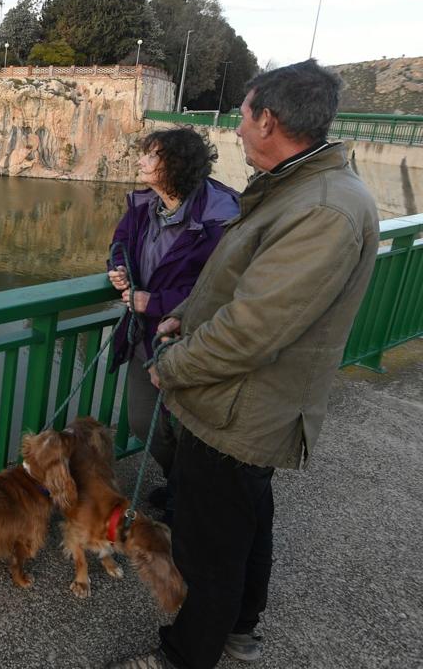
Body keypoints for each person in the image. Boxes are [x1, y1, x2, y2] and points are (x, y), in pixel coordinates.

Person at [107, 60, 379, 669]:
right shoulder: (301, 190)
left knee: (209, 551)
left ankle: (184, 655)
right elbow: (243, 289)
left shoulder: (323, 210)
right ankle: (240, 631)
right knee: (247, 525)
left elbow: (256, 328)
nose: (234, 131)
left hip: (240, 409)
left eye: (242, 117)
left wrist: (172, 365)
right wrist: (185, 316)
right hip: (245, 406)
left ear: (269, 120)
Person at [106, 127, 239, 521]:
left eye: (152, 155)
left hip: (189, 338)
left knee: (187, 424)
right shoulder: (144, 203)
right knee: (143, 418)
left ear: (175, 165)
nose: (142, 161)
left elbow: (220, 288)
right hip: (144, 336)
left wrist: (157, 301)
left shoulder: (219, 216)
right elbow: (119, 244)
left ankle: (191, 497)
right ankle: (182, 484)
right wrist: (118, 270)